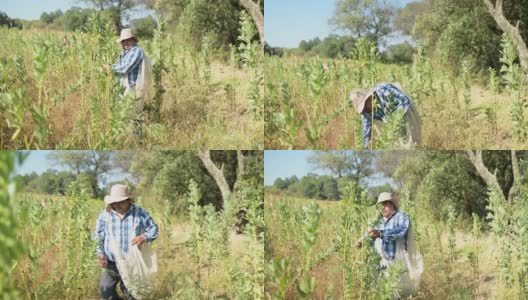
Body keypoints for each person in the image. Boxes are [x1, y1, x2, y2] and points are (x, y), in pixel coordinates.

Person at [93, 184, 158, 300]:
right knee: (106, 291)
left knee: (131, 293)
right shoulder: (105, 215)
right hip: (110, 262)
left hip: (131, 262)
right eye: (114, 202)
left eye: (121, 202)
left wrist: (143, 237)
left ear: (128, 200)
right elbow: (98, 235)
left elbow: (153, 229)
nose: (117, 205)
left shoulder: (139, 213)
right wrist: (100, 253)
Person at [355, 192, 423, 298]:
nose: (383, 207)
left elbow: (402, 230)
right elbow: (369, 235)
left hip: (397, 263)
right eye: (381, 205)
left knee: (397, 294)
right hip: (379, 264)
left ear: (393, 205)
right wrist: (360, 242)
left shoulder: (401, 217)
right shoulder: (376, 221)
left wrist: (381, 233)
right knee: (380, 293)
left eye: (386, 203)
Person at [350, 83, 421, 150]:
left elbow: (404, 100)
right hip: (389, 122)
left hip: (404, 111)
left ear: (368, 98)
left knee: (411, 143)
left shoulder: (383, 90)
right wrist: (364, 148)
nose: (366, 110)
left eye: (365, 107)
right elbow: (366, 130)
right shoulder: (365, 111)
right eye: (363, 109)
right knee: (394, 146)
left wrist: (396, 120)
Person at [102, 28, 145, 138]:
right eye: (123, 41)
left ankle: (137, 139)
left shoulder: (137, 51)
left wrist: (110, 68)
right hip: (124, 86)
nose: (125, 43)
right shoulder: (124, 53)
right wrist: (110, 67)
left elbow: (126, 68)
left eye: (128, 40)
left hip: (133, 86)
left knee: (135, 114)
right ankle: (124, 138)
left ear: (133, 40)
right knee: (123, 113)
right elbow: (118, 66)